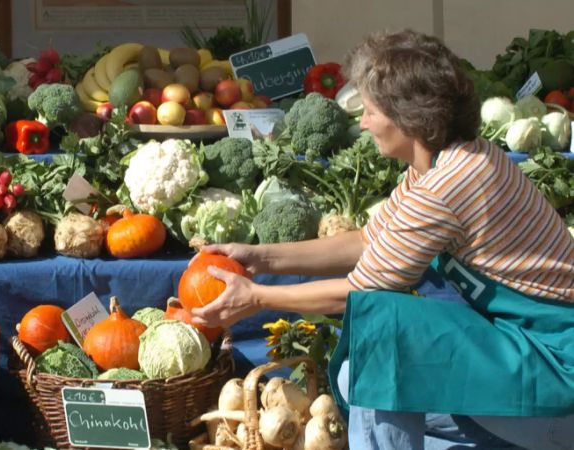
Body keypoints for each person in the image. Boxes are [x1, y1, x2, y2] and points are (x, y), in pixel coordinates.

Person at [191, 29, 574, 449]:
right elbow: (366, 242)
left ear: (410, 117)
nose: (363, 122)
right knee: (354, 374)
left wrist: (258, 298)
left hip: (557, 379)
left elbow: (358, 292)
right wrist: (258, 257)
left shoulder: (449, 185)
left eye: (371, 110)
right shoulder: (446, 162)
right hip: (529, 363)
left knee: (383, 341)